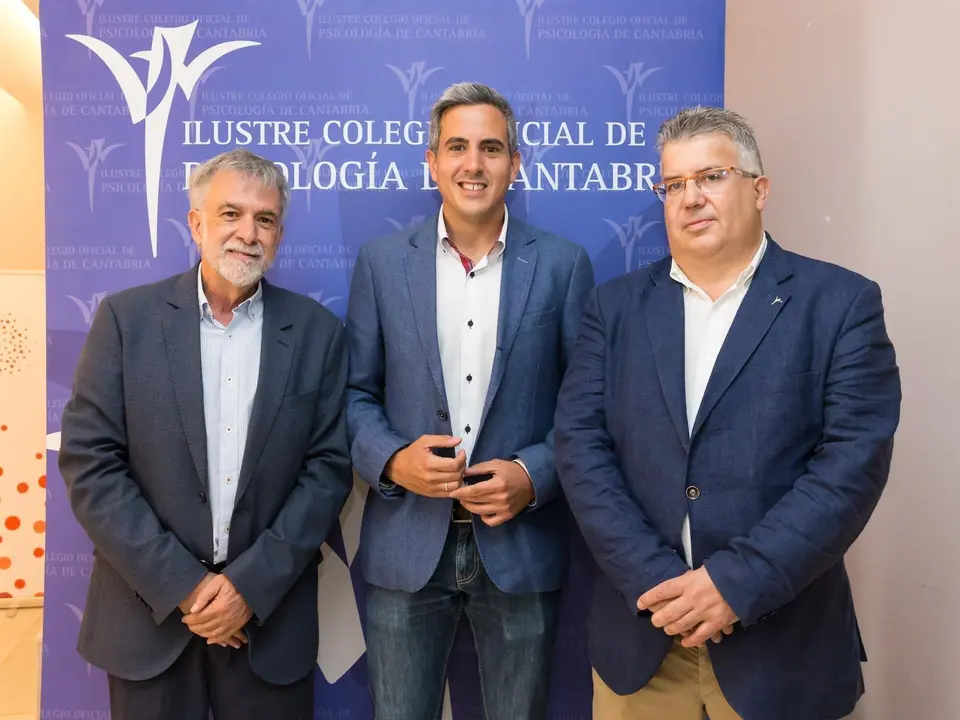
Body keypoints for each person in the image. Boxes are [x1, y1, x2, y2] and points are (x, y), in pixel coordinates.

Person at [554, 106, 902, 720]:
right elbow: (581, 450)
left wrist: (733, 585)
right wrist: (661, 584)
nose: (691, 198)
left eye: (711, 176)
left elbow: (850, 468)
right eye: (673, 185)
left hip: (780, 649)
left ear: (759, 189)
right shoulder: (614, 309)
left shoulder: (841, 303)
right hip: (643, 645)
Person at [58, 149, 352, 720]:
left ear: (280, 234)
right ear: (196, 223)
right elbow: (91, 462)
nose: (248, 233)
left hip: (268, 624)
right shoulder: (125, 320)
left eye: (264, 219)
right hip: (148, 620)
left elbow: (327, 471)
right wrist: (186, 586)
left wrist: (246, 588)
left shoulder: (317, 333)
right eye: (230, 214)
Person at [345, 81, 594, 719]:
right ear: (432, 161)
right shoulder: (379, 264)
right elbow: (353, 394)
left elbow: (586, 407)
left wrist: (532, 475)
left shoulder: (565, 265)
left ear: (516, 162)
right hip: (405, 549)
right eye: (457, 146)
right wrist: (394, 460)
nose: (473, 164)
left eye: (491, 148)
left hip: (521, 545)